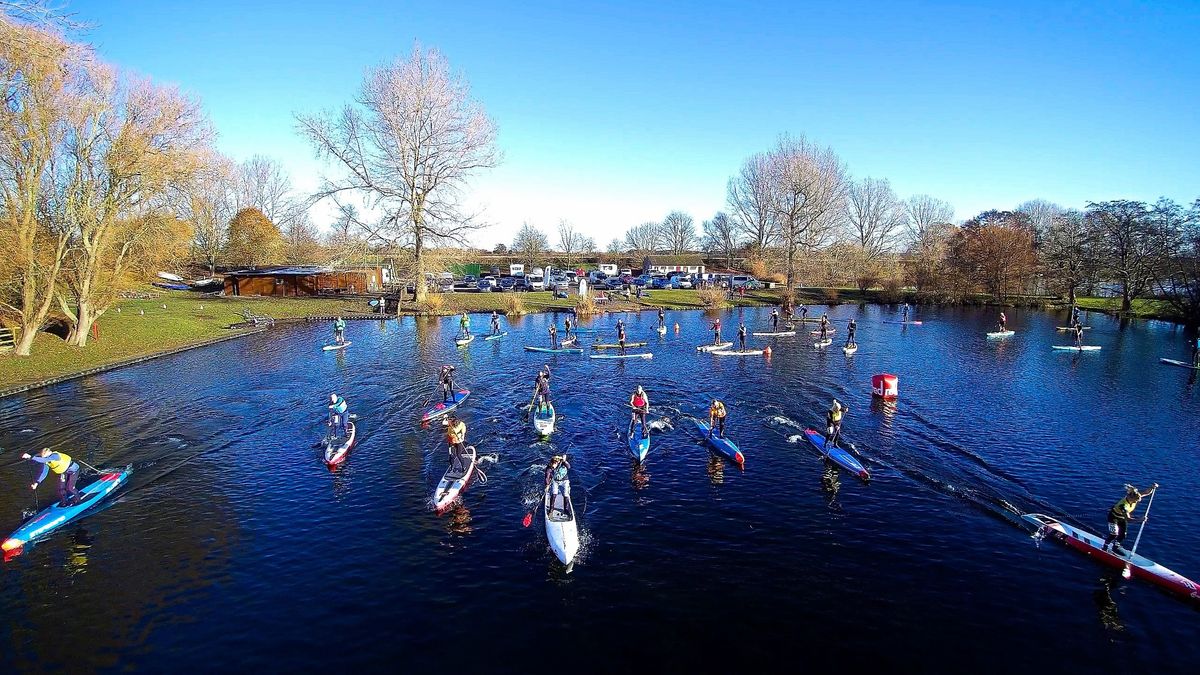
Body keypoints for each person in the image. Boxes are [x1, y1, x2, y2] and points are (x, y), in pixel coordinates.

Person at [1103, 483, 1158, 555]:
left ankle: (1115, 547)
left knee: (1123, 535)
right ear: (1131, 498)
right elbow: (1128, 520)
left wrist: (1152, 487)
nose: (1136, 502)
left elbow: (1146, 492)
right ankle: (1105, 547)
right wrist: (1140, 520)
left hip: (1122, 518)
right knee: (1114, 534)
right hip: (1114, 518)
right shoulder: (1123, 506)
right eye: (1135, 501)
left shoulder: (1136, 496)